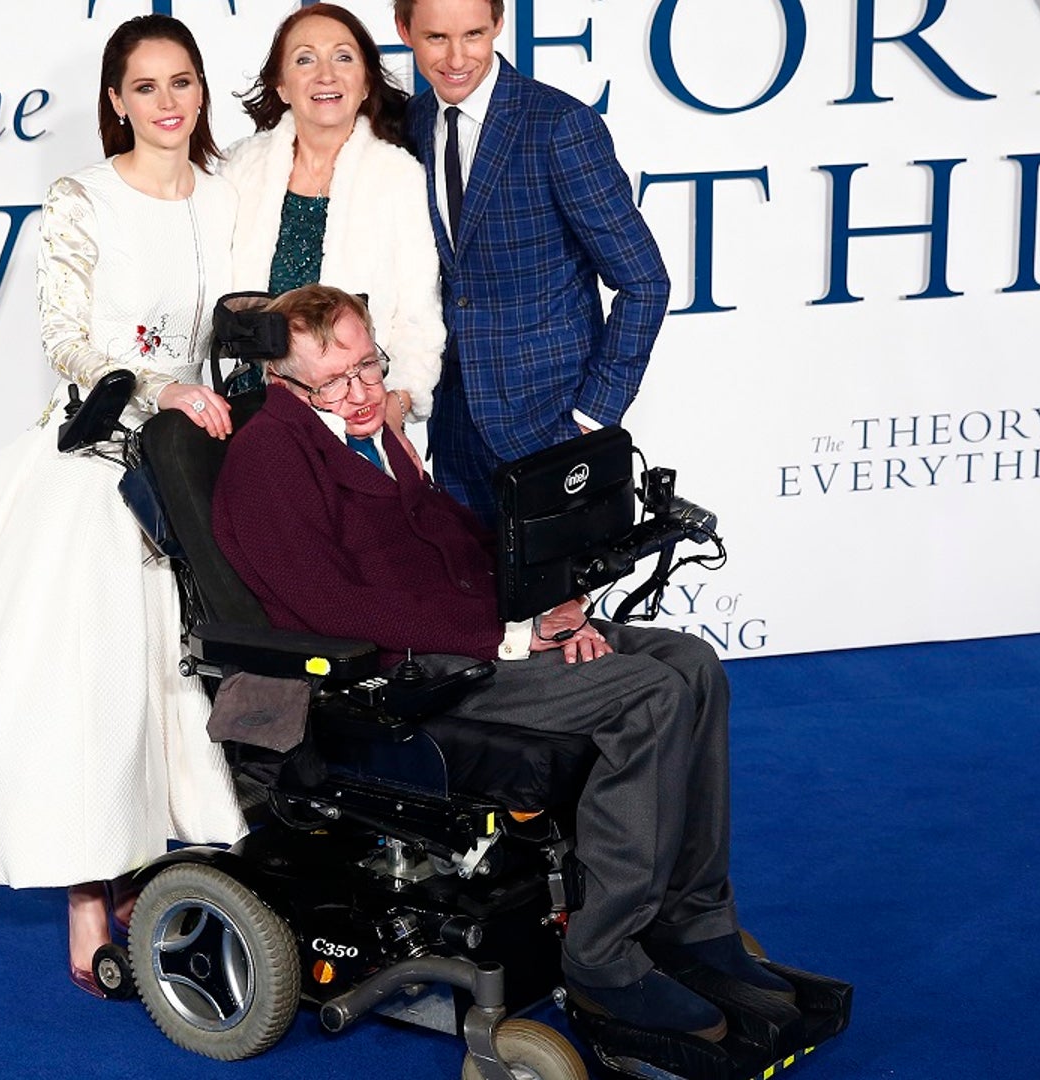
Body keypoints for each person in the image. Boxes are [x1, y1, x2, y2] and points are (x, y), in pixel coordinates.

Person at [212, 285, 786, 1042]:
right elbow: (332, 609)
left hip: (477, 633)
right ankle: (604, 958)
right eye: (335, 380)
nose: (361, 393)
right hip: (407, 677)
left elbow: (460, 538)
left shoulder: (376, 435)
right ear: (282, 384)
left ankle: (693, 919)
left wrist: (555, 599)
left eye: (369, 367)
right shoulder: (268, 459)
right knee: (649, 695)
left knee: (692, 664)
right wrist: (508, 637)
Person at [0, 14, 245, 1000]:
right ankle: (88, 890)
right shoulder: (80, 200)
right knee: (90, 683)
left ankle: (179, 852)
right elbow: (67, 340)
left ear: (203, 90)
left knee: (199, 672)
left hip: (212, 457)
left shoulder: (231, 191)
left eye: (183, 82)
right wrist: (161, 388)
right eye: (146, 86)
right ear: (115, 100)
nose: (168, 103)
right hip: (103, 453)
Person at [394, 0, 670, 525]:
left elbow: (645, 282)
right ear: (404, 30)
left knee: (562, 608)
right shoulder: (412, 122)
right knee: (468, 604)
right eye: (436, 38)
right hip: (454, 437)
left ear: (499, 24)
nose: (456, 57)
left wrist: (593, 416)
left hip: (553, 430)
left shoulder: (560, 126)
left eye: (473, 34)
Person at [221, 2, 443, 452]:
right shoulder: (239, 168)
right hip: (250, 415)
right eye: (305, 59)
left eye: (343, 57)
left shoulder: (399, 176)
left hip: (358, 418)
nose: (326, 74)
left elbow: (419, 316)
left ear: (365, 82)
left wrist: (395, 409)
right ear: (281, 85)